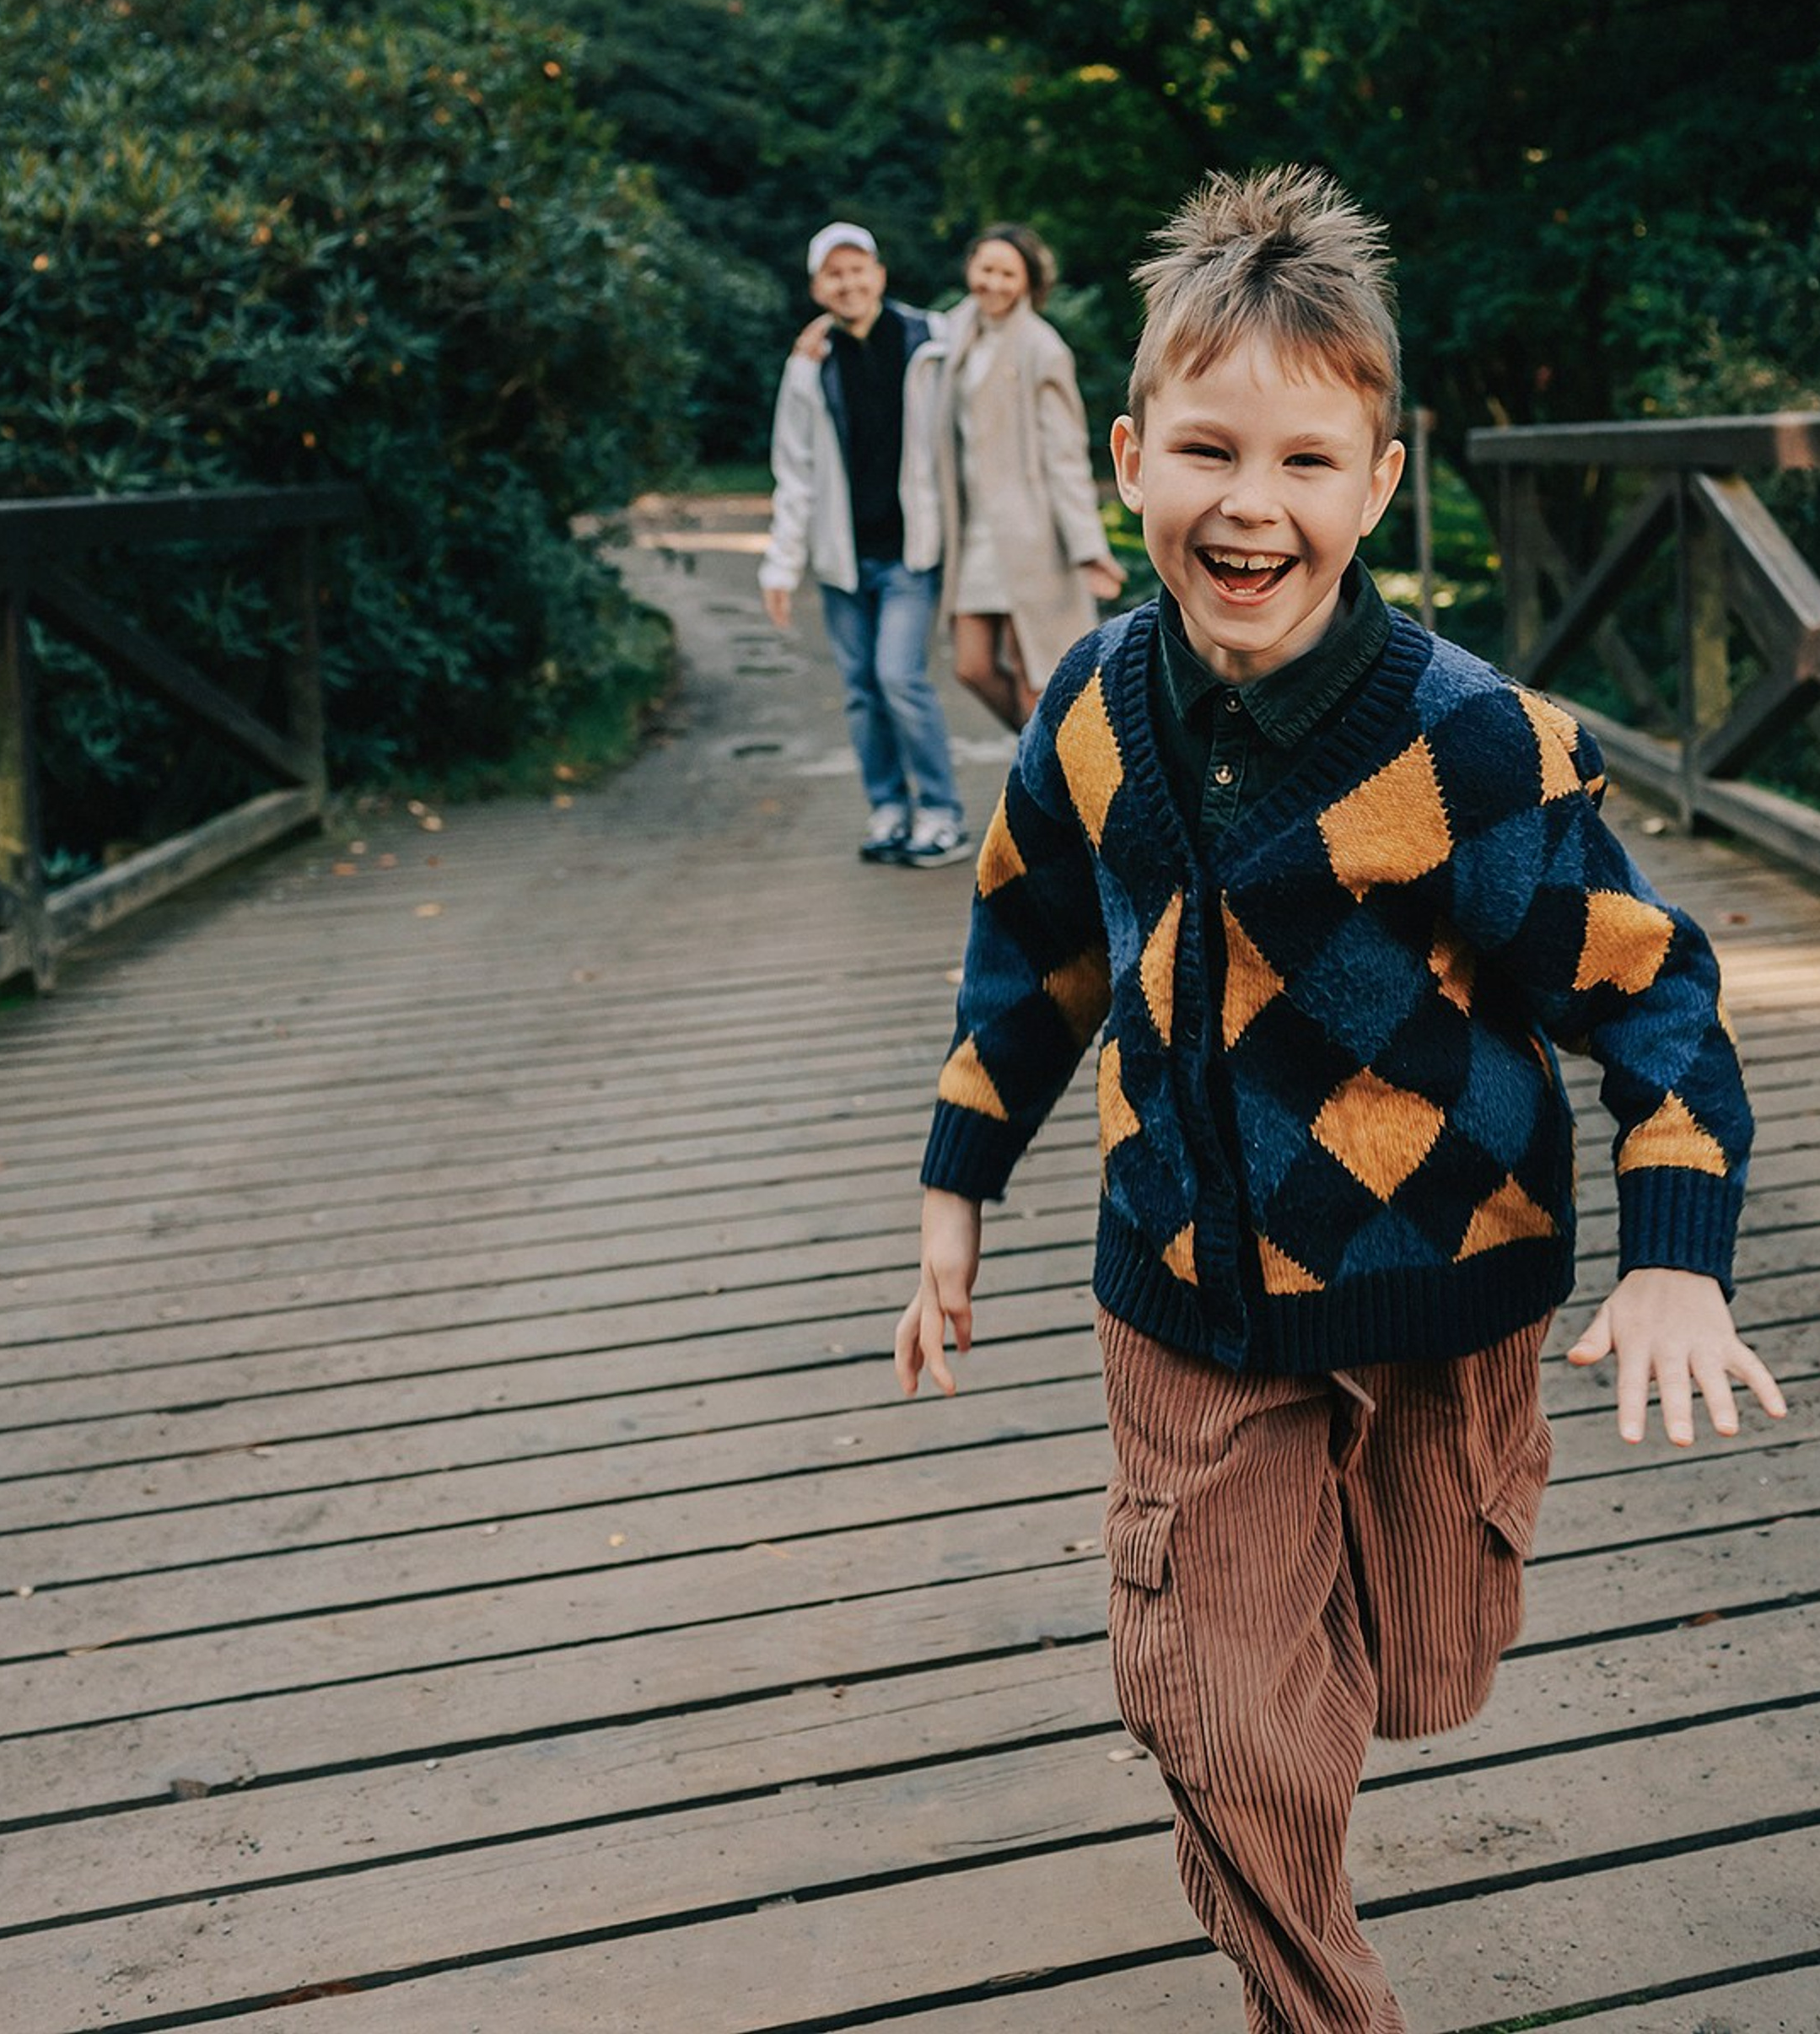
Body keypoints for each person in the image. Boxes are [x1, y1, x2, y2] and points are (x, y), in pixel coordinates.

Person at [893, 166, 1786, 2032]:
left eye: (1305, 462)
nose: (1248, 504)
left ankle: (1339, 1640)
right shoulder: (1087, 704)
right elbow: (1034, 942)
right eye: (1206, 451)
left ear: (1379, 485)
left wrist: (1676, 1248)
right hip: (1187, 1283)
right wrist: (954, 1188)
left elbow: (1650, 984)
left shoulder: (1462, 738)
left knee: (1422, 1668)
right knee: (1221, 1712)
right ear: (1130, 454)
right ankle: (1315, 1997)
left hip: (1444, 1280)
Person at [761, 221, 973, 869]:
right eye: (834, 274)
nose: (848, 283)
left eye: (859, 270)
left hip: (912, 549)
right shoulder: (808, 367)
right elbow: (793, 470)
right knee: (859, 687)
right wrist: (780, 564)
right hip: (843, 558)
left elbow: (988, 326)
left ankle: (941, 814)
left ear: (879, 274)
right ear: (817, 287)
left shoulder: (931, 340)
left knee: (898, 677)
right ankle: (888, 807)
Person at [938, 223, 1127, 731]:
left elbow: (1065, 456)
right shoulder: (951, 334)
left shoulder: (1043, 348)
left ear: (1026, 281)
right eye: (986, 269)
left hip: (1031, 535)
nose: (994, 283)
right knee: (971, 666)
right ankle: (1048, 760)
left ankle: (1042, 790)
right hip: (973, 534)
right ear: (969, 269)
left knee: (1036, 675)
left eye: (1007, 273)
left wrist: (1088, 548)